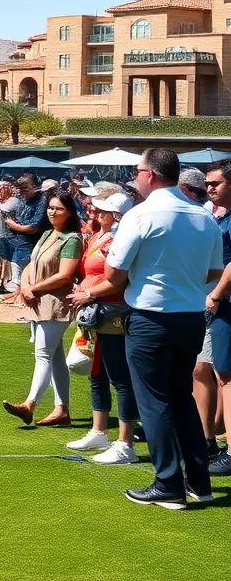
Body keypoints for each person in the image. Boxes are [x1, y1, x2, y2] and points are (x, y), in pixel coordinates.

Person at [104, 149, 220, 509]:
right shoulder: (203, 216)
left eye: (137, 170)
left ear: (150, 174)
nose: (135, 177)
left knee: (153, 401)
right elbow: (213, 271)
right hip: (190, 316)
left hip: (151, 318)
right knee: (181, 397)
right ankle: (198, 481)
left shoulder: (140, 215)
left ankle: (168, 482)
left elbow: (113, 274)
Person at [65, 192, 140, 464]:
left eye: (102, 211)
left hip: (112, 311)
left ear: (115, 216)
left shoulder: (118, 238)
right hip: (97, 312)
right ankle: (99, 431)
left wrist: (89, 293)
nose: (95, 213)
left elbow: (119, 280)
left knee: (119, 377)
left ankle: (125, 442)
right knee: (97, 374)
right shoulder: (100, 235)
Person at [2, 190, 81, 427]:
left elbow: (65, 275)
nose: (52, 212)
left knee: (43, 354)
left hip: (55, 303)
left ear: (69, 213)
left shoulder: (71, 239)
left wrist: (33, 288)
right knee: (54, 357)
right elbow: (31, 264)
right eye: (50, 207)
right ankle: (61, 409)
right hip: (38, 301)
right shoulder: (47, 234)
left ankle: (30, 404)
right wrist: (26, 286)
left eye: (58, 208)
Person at [200, 159, 231, 476]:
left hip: (225, 306)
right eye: (207, 183)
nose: (209, 188)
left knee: (226, 376)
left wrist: (216, 295)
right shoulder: (222, 216)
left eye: (215, 183)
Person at [4, 175, 46, 293]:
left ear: (33, 187)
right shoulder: (23, 200)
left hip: (31, 244)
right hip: (19, 243)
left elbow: (33, 228)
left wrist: (14, 225)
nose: (22, 194)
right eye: (20, 191)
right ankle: (18, 294)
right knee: (18, 275)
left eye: (24, 190)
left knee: (28, 274)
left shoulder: (41, 201)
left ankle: (24, 295)